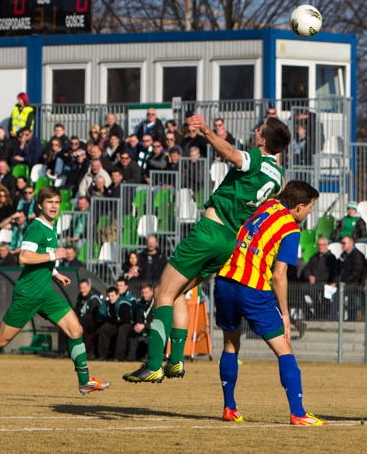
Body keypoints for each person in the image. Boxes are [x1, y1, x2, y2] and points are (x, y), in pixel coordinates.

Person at [123, 115, 291, 383]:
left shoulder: (255, 157)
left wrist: (204, 130)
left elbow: (231, 154)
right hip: (228, 243)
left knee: (162, 293)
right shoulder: (278, 177)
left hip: (209, 232)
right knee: (178, 292)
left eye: (259, 129)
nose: (255, 130)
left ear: (262, 140)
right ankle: (176, 361)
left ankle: (154, 363)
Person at [0, 186, 110, 394]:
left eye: (56, 202)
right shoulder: (36, 227)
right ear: (39, 205)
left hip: (45, 292)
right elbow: (24, 257)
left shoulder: (49, 227)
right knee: (0, 340)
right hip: (28, 294)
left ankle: (84, 381)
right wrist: (55, 256)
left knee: (76, 329)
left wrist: (55, 273)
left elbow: (41, 256)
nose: (54, 206)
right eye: (49, 202)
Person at [213, 181, 325, 425]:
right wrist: (285, 313)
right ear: (298, 206)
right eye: (310, 207)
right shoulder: (291, 229)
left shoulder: (268, 204)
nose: (310, 212)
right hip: (252, 289)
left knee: (231, 346)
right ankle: (298, 413)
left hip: (224, 280)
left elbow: (278, 187)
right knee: (285, 349)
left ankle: (229, 408)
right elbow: (279, 274)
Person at [98, 279, 136, 362]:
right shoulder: (109, 303)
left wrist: (115, 321)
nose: (111, 298)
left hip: (129, 323)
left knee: (122, 329)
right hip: (118, 323)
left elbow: (126, 319)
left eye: (112, 296)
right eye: (109, 296)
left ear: (117, 295)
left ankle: (119, 357)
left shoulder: (124, 302)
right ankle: (102, 355)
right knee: (105, 328)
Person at [74, 279, 106, 359]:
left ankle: (86, 351)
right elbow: (75, 312)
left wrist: (78, 319)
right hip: (85, 320)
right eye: (81, 288)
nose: (82, 290)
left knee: (81, 325)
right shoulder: (80, 298)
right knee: (68, 323)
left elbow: (92, 316)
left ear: (89, 287)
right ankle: (64, 351)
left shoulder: (94, 297)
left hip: (96, 322)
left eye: (84, 288)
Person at [127, 283, 155, 361]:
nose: (144, 295)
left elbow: (157, 321)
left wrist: (145, 326)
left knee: (155, 332)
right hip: (143, 327)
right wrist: (138, 325)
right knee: (133, 331)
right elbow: (138, 317)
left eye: (146, 292)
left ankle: (152, 357)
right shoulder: (139, 304)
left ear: (151, 292)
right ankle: (131, 357)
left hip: (154, 327)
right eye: (143, 293)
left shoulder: (156, 304)